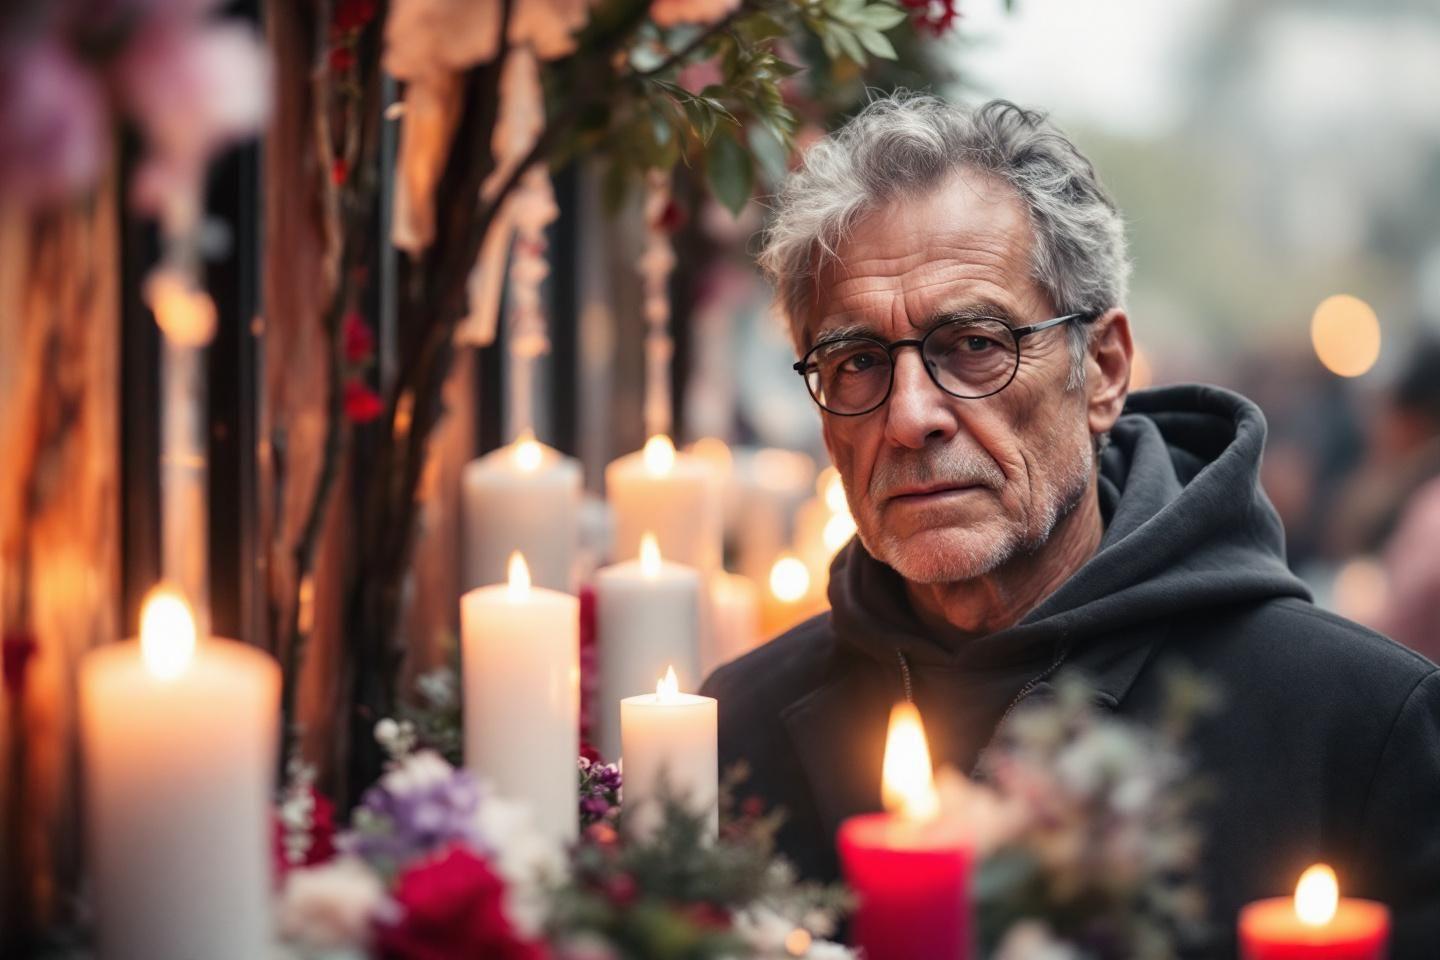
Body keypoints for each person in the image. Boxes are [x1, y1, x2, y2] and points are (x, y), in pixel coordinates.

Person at [701, 94, 1440, 958]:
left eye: (974, 344)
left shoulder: (1366, 728)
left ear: (1104, 371)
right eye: (856, 362)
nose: (908, 417)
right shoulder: (730, 733)